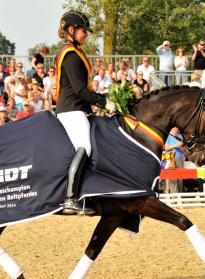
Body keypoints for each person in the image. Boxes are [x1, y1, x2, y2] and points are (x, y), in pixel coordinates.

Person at [55, 10, 115, 215]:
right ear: (71, 30)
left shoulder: (75, 51)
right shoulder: (70, 55)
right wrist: (104, 101)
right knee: (85, 147)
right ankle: (70, 198)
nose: (86, 34)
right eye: (83, 31)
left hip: (79, 109)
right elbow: (80, 90)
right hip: (71, 110)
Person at [163, 127, 186, 193]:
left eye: (177, 128)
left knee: (180, 177)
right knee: (172, 177)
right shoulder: (168, 136)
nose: (176, 129)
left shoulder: (181, 136)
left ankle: (180, 196)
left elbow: (184, 149)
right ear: (171, 129)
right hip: (170, 158)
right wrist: (176, 145)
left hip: (180, 158)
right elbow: (166, 148)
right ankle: (174, 196)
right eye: (174, 128)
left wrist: (182, 147)